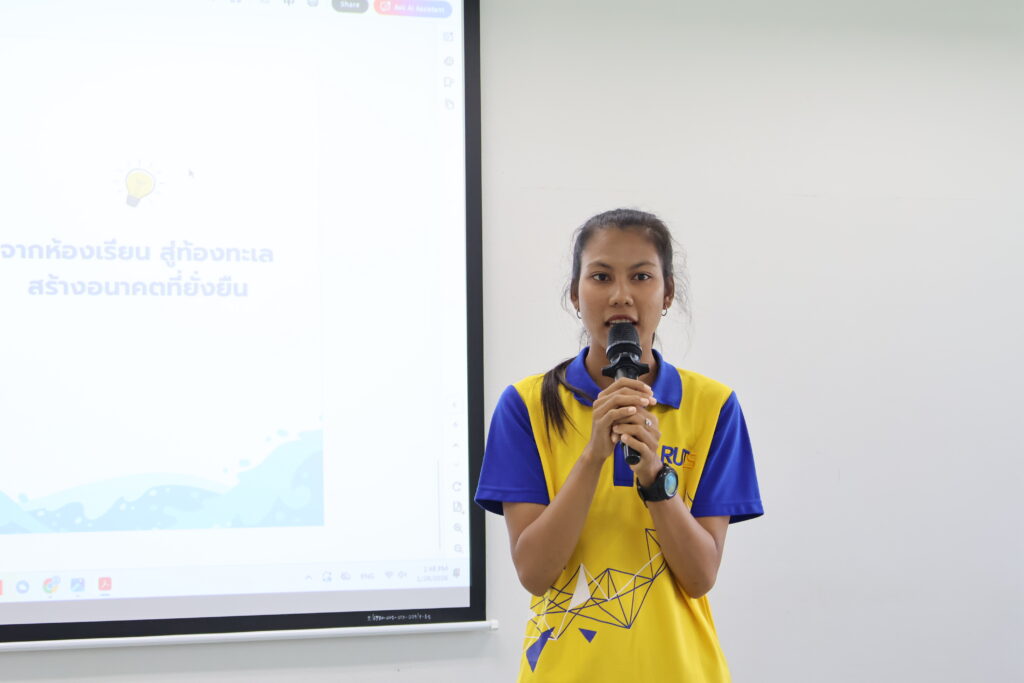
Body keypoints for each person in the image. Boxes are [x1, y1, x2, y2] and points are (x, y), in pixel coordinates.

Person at [475, 208, 763, 681]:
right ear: (575, 294)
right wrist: (593, 457)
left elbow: (699, 577)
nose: (621, 295)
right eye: (601, 276)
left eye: (642, 276)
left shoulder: (713, 406)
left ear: (667, 294)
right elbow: (534, 573)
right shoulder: (525, 406)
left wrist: (655, 478)